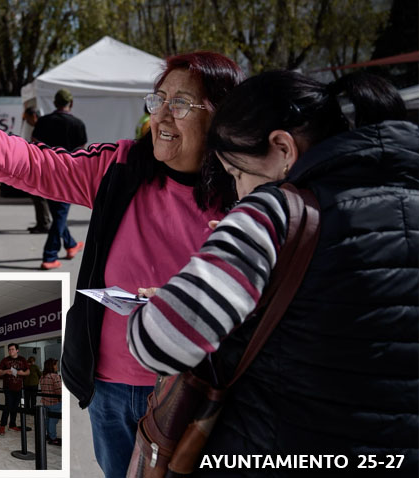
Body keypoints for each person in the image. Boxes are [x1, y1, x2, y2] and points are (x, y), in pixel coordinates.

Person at [0, 51, 242, 476]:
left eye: (181, 105)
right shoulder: (119, 166)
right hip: (111, 386)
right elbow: (32, 164)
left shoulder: (244, 192)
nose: (162, 117)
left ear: (222, 116)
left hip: (194, 390)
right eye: (158, 101)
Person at [127, 70, 418, 475]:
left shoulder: (272, 212)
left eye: (237, 174)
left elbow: (156, 342)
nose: (240, 192)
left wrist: (222, 257)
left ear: (283, 149)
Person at [30, 88, 87, 270]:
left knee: (58, 214)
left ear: (54, 103)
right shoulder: (78, 124)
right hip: (67, 175)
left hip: (46, 173)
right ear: (71, 104)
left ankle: (70, 245)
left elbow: (33, 147)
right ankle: (49, 256)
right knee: (60, 215)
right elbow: (81, 154)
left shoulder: (43, 122)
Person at [22, 106, 51, 234]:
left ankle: (44, 223)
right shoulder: (42, 126)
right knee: (37, 196)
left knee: (39, 196)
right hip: (39, 166)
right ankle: (41, 222)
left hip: (41, 167)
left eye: (27, 119)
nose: (27, 122)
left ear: (34, 116)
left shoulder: (41, 127)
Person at [0, 343, 29, 435]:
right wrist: (6, 371)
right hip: (8, 387)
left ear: (17, 350)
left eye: (12, 349)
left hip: (19, 387)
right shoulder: (5, 360)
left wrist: (22, 373)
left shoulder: (22, 359)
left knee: (15, 407)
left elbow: (28, 371)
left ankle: (12, 425)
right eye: (9, 349)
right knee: (8, 406)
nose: (10, 351)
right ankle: (2, 426)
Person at [39, 358, 62, 446]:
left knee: (47, 420)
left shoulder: (43, 376)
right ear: (51, 366)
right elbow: (59, 391)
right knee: (53, 421)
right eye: (55, 365)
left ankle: (48, 435)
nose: (57, 366)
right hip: (55, 403)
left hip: (45, 402)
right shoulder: (55, 376)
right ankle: (53, 438)